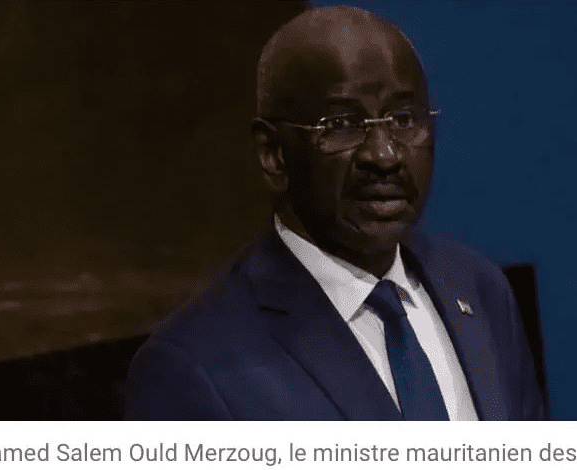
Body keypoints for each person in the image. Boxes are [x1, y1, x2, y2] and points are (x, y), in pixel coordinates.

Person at [124, 5, 546, 420]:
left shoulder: (481, 291)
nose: (385, 155)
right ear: (274, 154)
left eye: (403, 119)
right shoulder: (193, 369)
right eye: (342, 125)